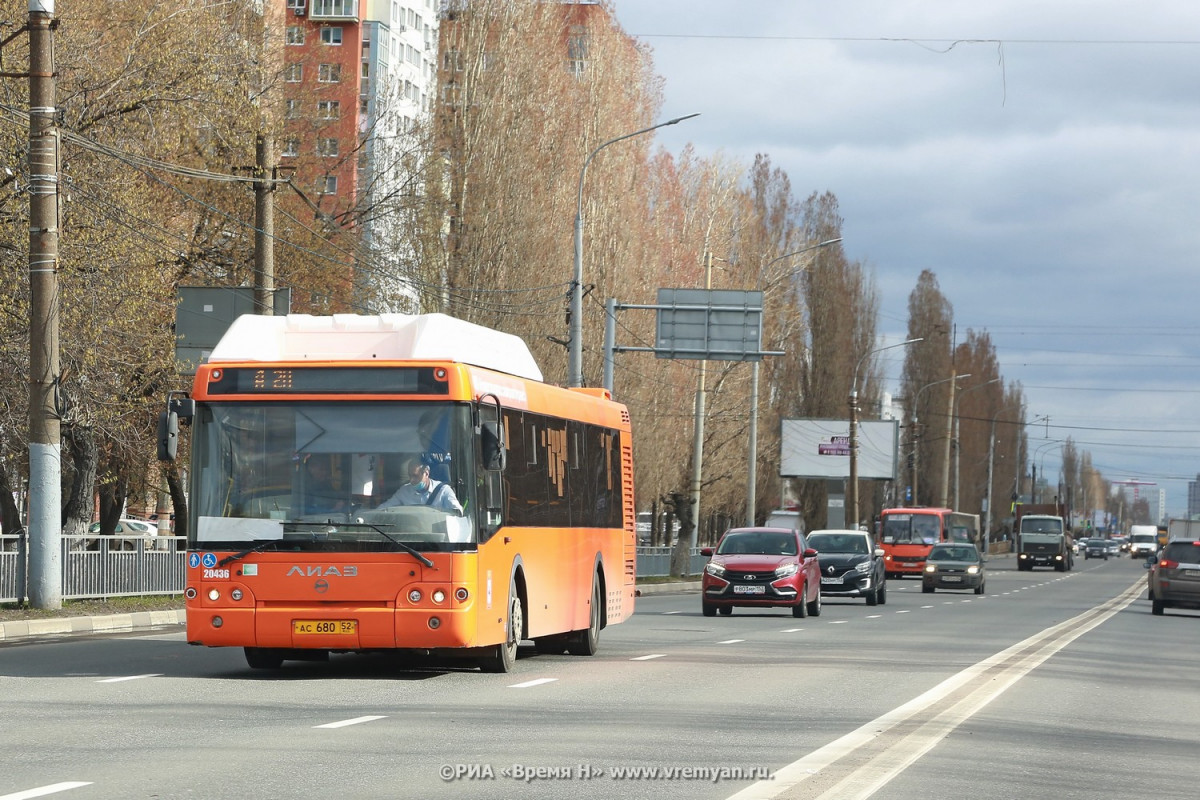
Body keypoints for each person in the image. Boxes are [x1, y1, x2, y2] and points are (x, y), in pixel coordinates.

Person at [377, 457, 462, 514]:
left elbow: (458, 511)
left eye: (415, 476)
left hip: (437, 537)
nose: (411, 480)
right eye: (410, 476)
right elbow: (385, 508)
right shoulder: (404, 491)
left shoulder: (443, 491)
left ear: (426, 473)